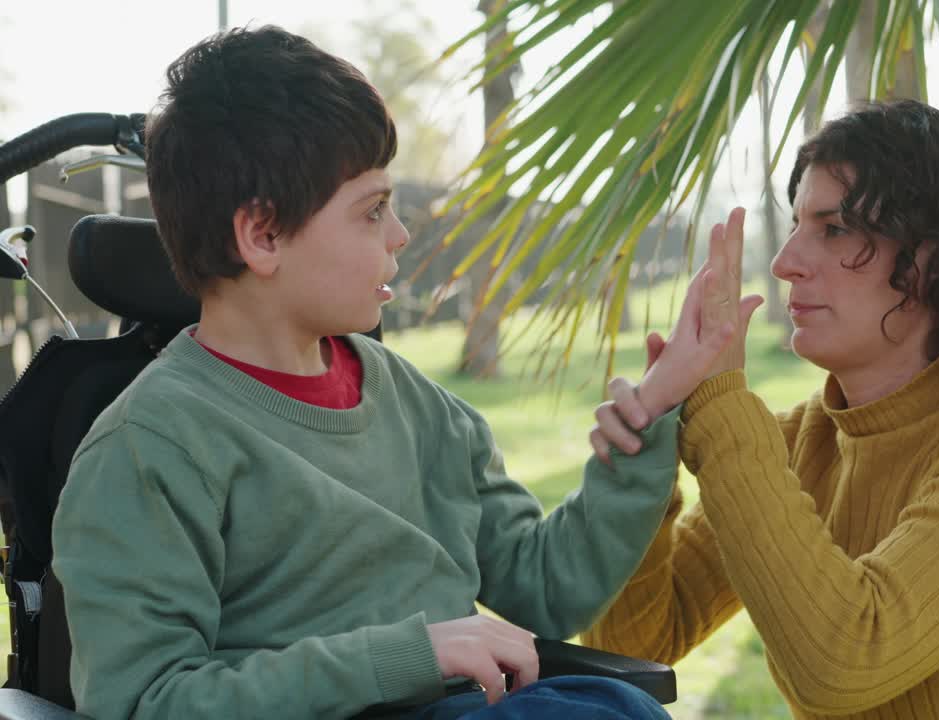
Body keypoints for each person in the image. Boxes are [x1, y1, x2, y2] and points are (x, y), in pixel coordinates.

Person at [50, 26, 731, 720]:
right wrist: (408, 657)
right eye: (372, 210)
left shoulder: (422, 410)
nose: (400, 233)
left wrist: (650, 411)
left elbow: (548, 590)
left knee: (609, 705)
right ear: (263, 235)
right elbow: (145, 703)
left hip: (474, 707)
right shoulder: (151, 447)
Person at [585, 100, 939, 719]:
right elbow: (633, 653)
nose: (784, 263)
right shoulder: (799, 442)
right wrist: (640, 465)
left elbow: (844, 660)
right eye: (796, 225)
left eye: (833, 229)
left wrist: (721, 407)